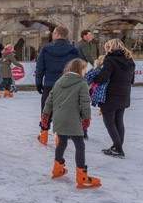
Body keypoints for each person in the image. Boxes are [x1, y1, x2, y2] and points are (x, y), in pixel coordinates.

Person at [42, 59, 101, 188]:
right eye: (84, 69)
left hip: (59, 118)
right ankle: (82, 176)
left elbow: (49, 100)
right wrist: (86, 119)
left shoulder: (59, 81)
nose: (85, 71)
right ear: (80, 69)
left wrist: (45, 115)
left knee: (62, 142)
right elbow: (85, 103)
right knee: (80, 145)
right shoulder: (82, 83)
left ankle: (57, 168)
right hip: (73, 120)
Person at [35, 25, 80, 145]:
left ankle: (43, 134)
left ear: (57, 35)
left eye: (54, 33)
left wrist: (38, 83)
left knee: (46, 109)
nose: (52, 35)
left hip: (49, 84)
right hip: (67, 85)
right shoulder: (74, 50)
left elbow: (40, 68)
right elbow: (77, 69)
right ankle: (59, 137)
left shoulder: (46, 49)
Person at [93, 39, 136, 158]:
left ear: (110, 47)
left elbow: (103, 78)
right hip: (124, 95)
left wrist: (94, 76)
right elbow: (132, 80)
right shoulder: (130, 60)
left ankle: (118, 149)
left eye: (106, 47)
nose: (106, 49)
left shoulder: (110, 60)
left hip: (111, 95)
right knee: (119, 121)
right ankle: (116, 146)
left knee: (109, 122)